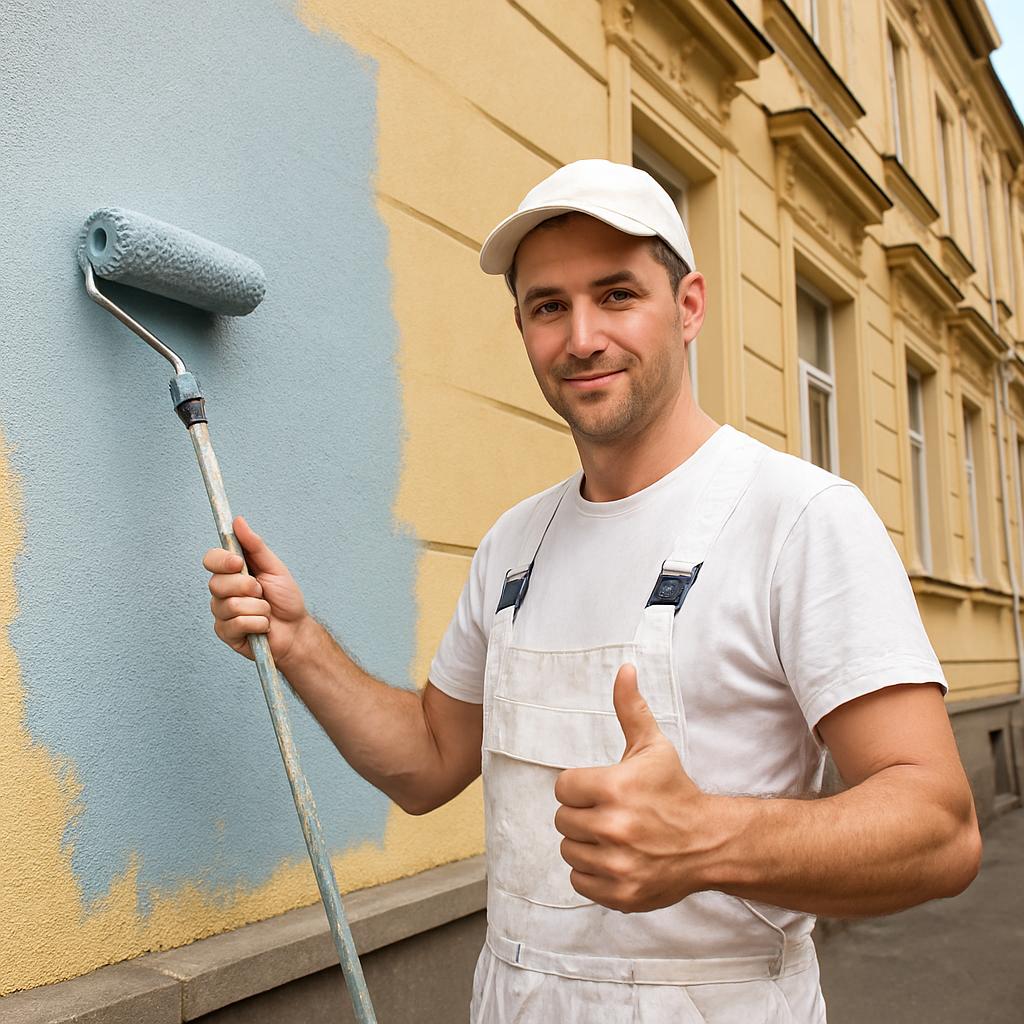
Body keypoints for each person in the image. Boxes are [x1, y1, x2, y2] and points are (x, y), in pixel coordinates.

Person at [204, 159, 982, 1022]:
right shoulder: (514, 546)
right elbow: (427, 763)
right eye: (548, 306)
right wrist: (302, 642)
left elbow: (939, 829)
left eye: (617, 295)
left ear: (688, 307)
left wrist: (705, 838)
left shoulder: (799, 518)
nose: (581, 338)